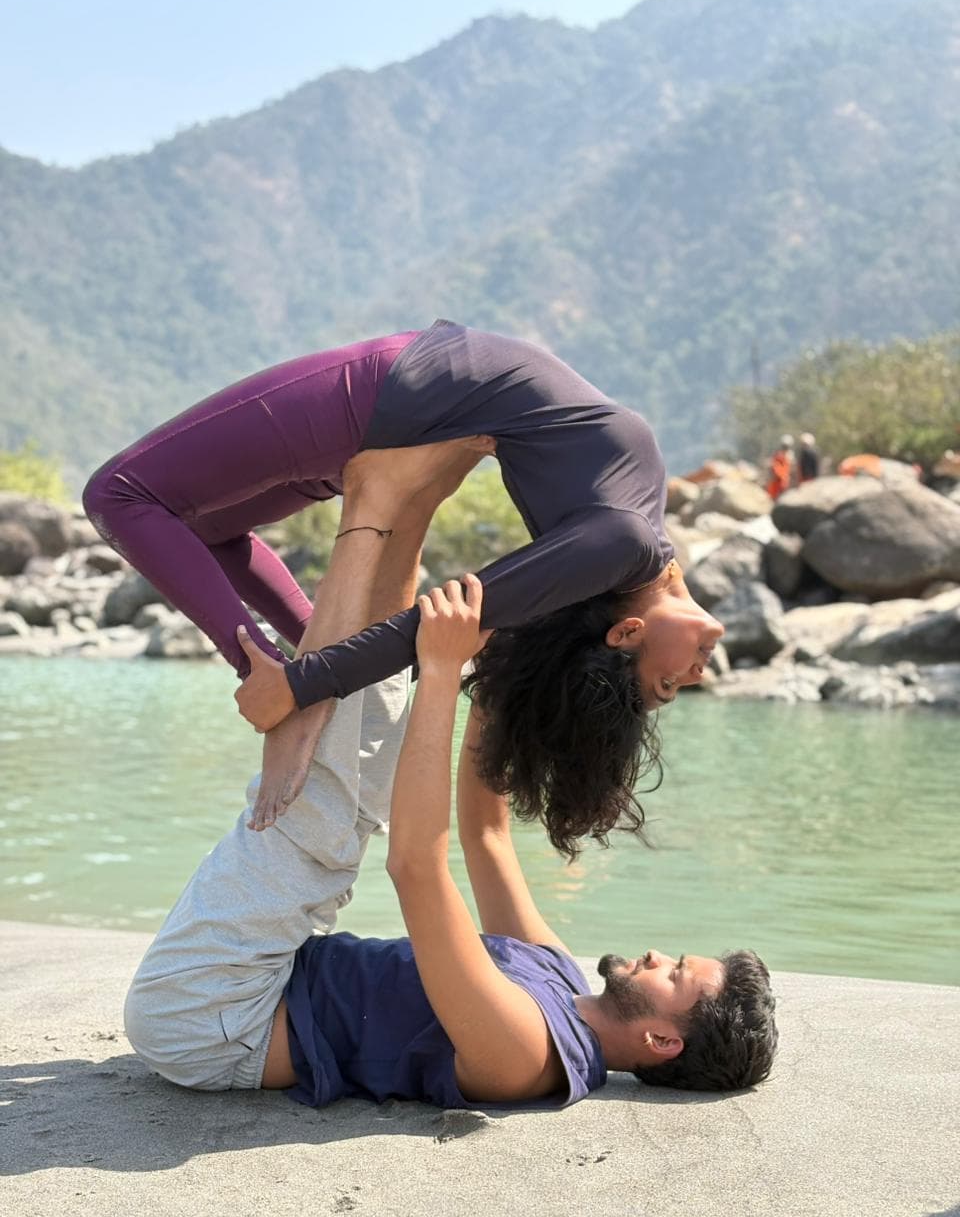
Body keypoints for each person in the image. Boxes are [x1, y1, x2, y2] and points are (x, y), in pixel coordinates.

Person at [124, 572, 778, 1108]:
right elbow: (487, 833)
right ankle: (389, 502)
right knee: (376, 689)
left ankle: (388, 494)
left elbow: (415, 867)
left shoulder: (527, 1055)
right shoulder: (556, 973)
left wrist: (440, 670)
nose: (661, 954)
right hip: (264, 970)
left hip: (211, 1017)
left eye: (678, 974)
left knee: (321, 803)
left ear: (664, 1041)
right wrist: (488, 678)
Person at [83, 320, 722, 849]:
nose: (693, 677)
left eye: (666, 683)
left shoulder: (624, 544)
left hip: (377, 399)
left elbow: (448, 618)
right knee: (207, 531)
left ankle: (268, 671)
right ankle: (296, 651)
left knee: (118, 493)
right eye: (674, 685)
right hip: (401, 411)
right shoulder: (636, 533)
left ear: (627, 633)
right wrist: (312, 668)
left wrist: (297, 684)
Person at [765, 435, 796, 499]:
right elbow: (774, 468)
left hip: (784, 481)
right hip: (778, 481)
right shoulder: (779, 455)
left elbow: (791, 469)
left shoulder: (790, 455)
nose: (785, 447)